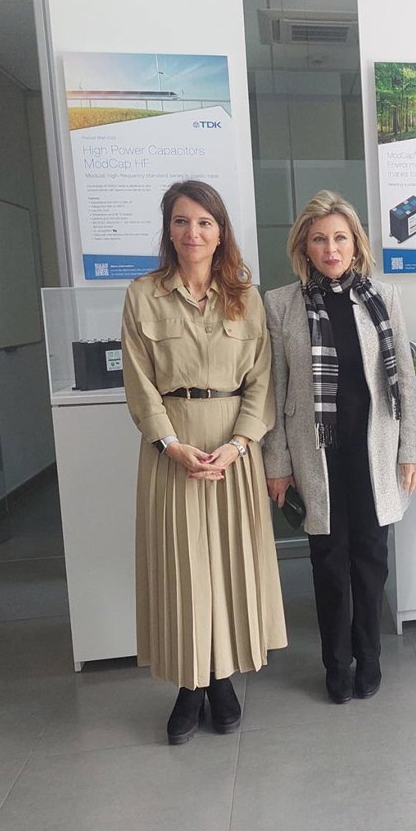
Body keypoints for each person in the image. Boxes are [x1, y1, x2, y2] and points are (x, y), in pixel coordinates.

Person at [121, 179, 287, 745]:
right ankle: (191, 686)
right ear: (168, 231)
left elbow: (262, 381)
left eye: (204, 222)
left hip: (233, 451)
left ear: (221, 233)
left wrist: (239, 445)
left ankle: (221, 681)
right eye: (181, 221)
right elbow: (139, 384)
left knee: (230, 568)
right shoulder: (142, 295)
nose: (193, 232)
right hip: (173, 453)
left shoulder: (247, 297)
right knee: (182, 572)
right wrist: (170, 445)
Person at [263, 190, 416, 704]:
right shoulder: (281, 304)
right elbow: (275, 390)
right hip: (317, 454)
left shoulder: (383, 297)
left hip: (373, 450)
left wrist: (411, 449)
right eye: (319, 239)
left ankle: (369, 657)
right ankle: (336, 663)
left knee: (371, 559)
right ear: (303, 247)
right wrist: (277, 462)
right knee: (329, 562)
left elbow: (405, 380)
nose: (331, 249)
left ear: (356, 243)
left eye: (340, 238)